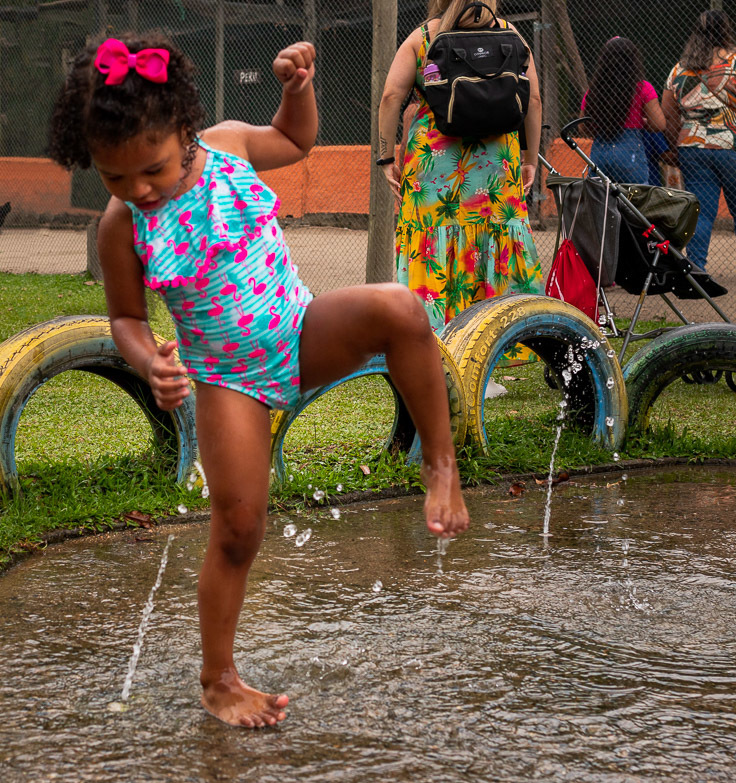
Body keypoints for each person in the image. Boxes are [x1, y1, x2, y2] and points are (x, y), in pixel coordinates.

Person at [47, 34, 470, 729]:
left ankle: (440, 461)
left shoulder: (230, 145)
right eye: (114, 178)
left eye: (150, 170)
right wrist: (147, 356)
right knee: (239, 527)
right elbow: (124, 314)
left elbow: (293, 140)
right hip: (225, 381)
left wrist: (296, 89)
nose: (137, 190)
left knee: (401, 309)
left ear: (186, 132)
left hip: (299, 333)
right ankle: (218, 678)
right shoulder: (121, 225)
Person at [376, 0, 544, 396]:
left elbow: (390, 98)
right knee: (488, 249)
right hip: (495, 165)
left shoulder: (423, 37)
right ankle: (481, 365)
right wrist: (530, 158)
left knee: (434, 256)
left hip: (435, 166)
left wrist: (386, 156)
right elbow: (533, 101)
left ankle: (431, 360)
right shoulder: (511, 33)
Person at [663, 9, 736, 271]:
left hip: (691, 146)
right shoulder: (734, 61)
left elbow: (668, 115)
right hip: (730, 145)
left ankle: (696, 269)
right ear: (726, 31)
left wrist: (673, 148)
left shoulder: (680, 69)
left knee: (701, 211)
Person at [581, 37, 666, 184]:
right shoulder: (642, 88)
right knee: (636, 198)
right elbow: (659, 124)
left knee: (599, 198)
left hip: (600, 153)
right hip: (630, 154)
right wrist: (642, 122)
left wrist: (603, 125)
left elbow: (583, 127)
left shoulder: (594, 91)